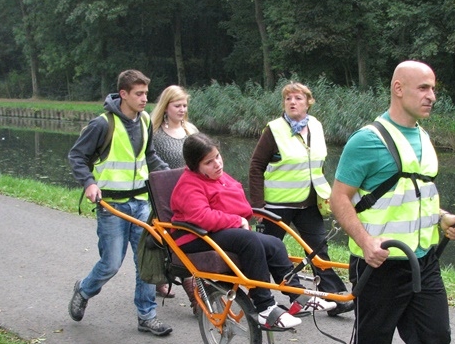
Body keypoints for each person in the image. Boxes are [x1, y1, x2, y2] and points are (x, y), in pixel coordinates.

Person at [330, 60, 455, 344]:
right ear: (398, 88)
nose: (431, 96)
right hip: (380, 263)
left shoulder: (424, 138)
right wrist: (365, 242)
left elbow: (416, 196)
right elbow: (338, 198)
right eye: (423, 88)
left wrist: (442, 219)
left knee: (435, 336)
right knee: (374, 343)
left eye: (433, 89)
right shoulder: (368, 139)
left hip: (423, 261)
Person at [171, 133, 336, 329]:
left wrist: (240, 218)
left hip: (219, 229)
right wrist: (236, 219)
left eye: (217, 156)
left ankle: (298, 296)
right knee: (248, 241)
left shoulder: (218, 176)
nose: (217, 164)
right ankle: (264, 307)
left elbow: (240, 206)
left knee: (274, 243)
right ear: (195, 167)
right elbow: (201, 217)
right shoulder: (189, 184)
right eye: (209, 162)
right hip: (193, 235)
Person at [68, 69, 173, 337]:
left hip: (141, 203)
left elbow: (149, 157)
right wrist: (90, 183)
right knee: (111, 263)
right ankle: (83, 289)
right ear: (123, 94)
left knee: (146, 263)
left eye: (146, 94)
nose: (144, 99)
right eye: (138, 94)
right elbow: (77, 156)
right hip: (112, 207)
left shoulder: (146, 120)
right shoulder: (102, 124)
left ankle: (147, 316)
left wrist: (171, 177)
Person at [249, 82, 353, 317]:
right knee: (266, 252)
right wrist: (257, 205)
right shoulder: (274, 129)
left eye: (297, 98)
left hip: (309, 203)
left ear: (308, 102)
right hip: (277, 205)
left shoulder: (315, 125)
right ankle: (262, 299)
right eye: (288, 99)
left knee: (318, 249)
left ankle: (335, 298)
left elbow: (318, 163)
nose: (292, 103)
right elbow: (256, 166)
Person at [150, 85, 199, 303]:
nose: (181, 109)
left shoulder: (191, 130)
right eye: (177, 105)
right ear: (166, 106)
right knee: (162, 239)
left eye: (184, 105)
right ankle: (161, 279)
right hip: (164, 194)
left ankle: (193, 288)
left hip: (191, 193)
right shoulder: (156, 133)